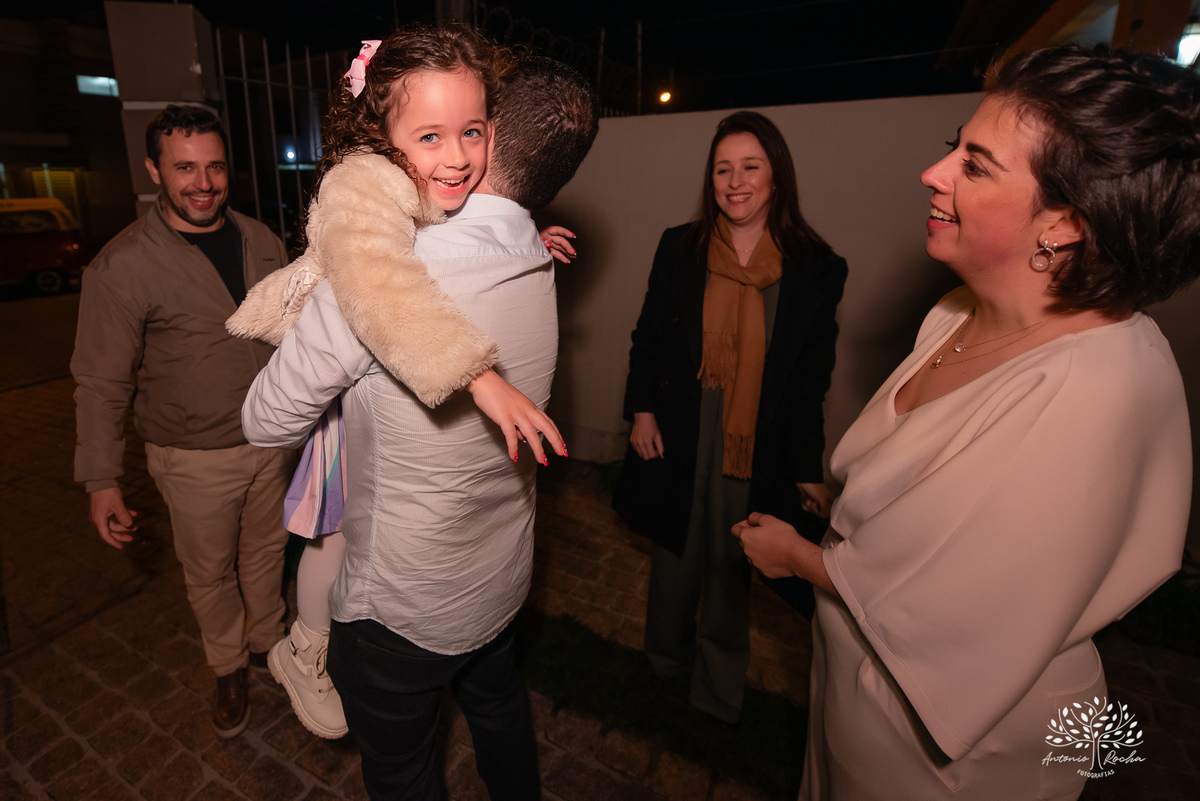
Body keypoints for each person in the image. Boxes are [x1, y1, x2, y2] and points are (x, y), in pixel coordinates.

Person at [732, 44, 1198, 800]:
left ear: (1066, 224)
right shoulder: (956, 313)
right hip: (861, 696)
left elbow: (945, 615)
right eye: (957, 147)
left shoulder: (1096, 388)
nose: (934, 172)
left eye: (975, 165)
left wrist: (793, 552)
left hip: (960, 750)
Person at [241, 26, 599, 800]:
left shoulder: (377, 282)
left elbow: (263, 420)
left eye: (471, 132)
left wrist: (324, 325)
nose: (458, 155)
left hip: (404, 610)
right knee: (500, 710)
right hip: (500, 580)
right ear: (380, 138)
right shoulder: (533, 258)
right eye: (430, 135)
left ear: (494, 131)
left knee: (404, 774)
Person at [613, 111, 848, 724]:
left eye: (751, 167)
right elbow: (648, 339)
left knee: (732, 563)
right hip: (681, 429)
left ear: (777, 178)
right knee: (674, 554)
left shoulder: (816, 267)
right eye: (723, 169)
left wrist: (807, 467)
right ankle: (662, 663)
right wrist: (641, 409)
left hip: (753, 444)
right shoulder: (680, 247)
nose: (735, 182)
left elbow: (807, 383)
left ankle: (718, 690)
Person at [71, 105, 294, 739]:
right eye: (185, 168)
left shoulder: (261, 239)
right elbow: (100, 380)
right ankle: (228, 667)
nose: (204, 183)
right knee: (209, 572)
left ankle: (265, 643)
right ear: (154, 171)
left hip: (270, 441)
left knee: (267, 553)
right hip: (194, 457)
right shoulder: (121, 267)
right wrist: (101, 480)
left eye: (215, 166)